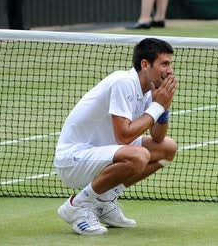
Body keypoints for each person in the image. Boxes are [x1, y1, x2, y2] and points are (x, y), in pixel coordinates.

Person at [54, 38, 178, 236]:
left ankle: (104, 201)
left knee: (167, 148)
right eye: (165, 64)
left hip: (101, 155)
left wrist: (163, 108)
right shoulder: (123, 82)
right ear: (145, 64)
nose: (170, 70)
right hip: (73, 161)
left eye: (170, 64)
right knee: (138, 156)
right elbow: (124, 137)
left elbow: (157, 137)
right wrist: (156, 106)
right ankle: (76, 205)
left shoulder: (148, 91)